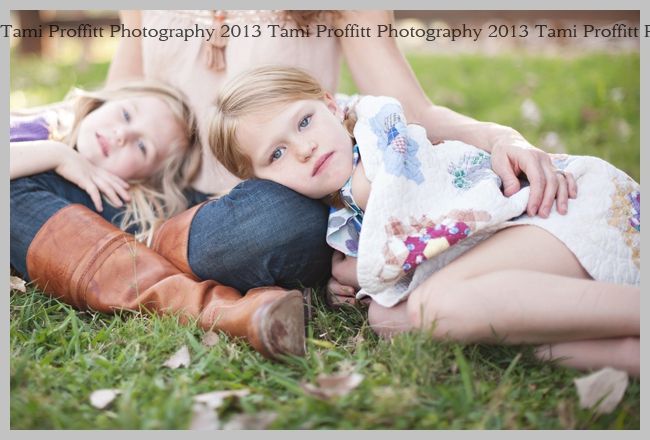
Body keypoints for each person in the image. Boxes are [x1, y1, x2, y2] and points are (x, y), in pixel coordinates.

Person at [104, 10, 577, 305]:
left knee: (275, 222)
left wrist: (499, 136)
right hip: (158, 194)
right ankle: (151, 248)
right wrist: (67, 153)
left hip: (281, 202)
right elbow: (114, 102)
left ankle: (135, 254)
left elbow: (412, 110)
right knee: (63, 184)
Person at [208, 66, 640, 376]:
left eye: (304, 122)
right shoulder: (342, 212)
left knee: (432, 308)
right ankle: (626, 353)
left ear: (332, 106)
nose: (304, 149)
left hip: (556, 210)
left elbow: (405, 225)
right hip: (516, 247)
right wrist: (350, 276)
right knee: (388, 320)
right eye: (277, 153)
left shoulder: (378, 150)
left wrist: (357, 270)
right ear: (263, 185)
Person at [10, 81, 306, 360]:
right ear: (105, 100)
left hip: (120, 210)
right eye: (126, 114)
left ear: (148, 177)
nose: (122, 135)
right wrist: (58, 154)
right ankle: (217, 311)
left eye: (142, 147)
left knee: (274, 214)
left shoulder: (131, 200)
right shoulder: (42, 125)